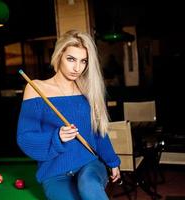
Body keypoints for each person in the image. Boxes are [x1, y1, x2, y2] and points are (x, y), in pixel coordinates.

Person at [17, 30, 121, 200]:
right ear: (59, 55)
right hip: (54, 171)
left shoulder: (88, 90)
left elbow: (98, 132)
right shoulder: (36, 88)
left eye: (83, 61)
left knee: (89, 185)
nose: (77, 68)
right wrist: (56, 136)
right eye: (71, 59)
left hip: (89, 163)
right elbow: (25, 137)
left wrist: (113, 162)